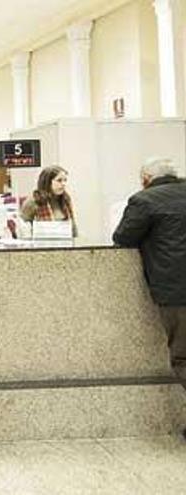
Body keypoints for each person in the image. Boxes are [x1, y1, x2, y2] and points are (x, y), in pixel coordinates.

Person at [113, 158, 186, 415]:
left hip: (177, 290)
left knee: (183, 356)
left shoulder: (144, 201)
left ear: (145, 179)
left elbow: (123, 237)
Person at [20, 165, 77, 236]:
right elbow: (22, 228)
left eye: (65, 180)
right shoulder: (33, 201)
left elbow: (72, 226)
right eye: (59, 180)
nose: (63, 184)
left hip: (65, 243)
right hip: (41, 244)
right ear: (47, 182)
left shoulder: (65, 199)